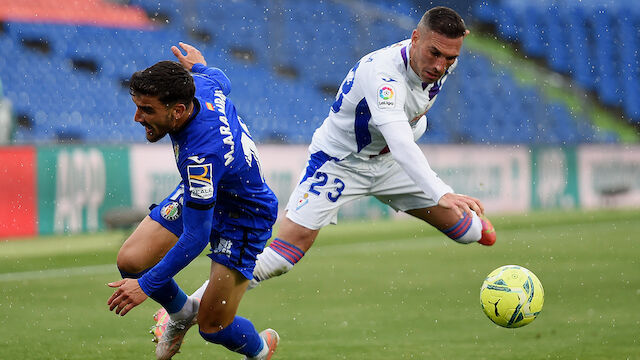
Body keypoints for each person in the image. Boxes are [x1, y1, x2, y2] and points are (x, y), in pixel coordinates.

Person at [152, 5, 496, 354]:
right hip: (339, 163)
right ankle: (187, 312)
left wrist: (421, 137)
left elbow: (409, 123)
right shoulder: (384, 75)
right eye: (434, 53)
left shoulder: (439, 64)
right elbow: (399, 138)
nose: (440, 65)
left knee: (469, 232)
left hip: (388, 163)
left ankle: (480, 242)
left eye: (450, 58)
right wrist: (441, 191)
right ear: (415, 37)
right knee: (284, 254)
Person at [106, 42, 280, 360]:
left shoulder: (200, 156)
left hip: (244, 217)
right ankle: (182, 312)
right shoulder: (200, 83)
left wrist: (145, 286)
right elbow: (220, 80)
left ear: (178, 111)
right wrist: (199, 65)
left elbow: (196, 237)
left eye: (147, 110)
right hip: (206, 188)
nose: (136, 117)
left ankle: (260, 351)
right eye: (137, 106)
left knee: (213, 327)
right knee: (130, 261)